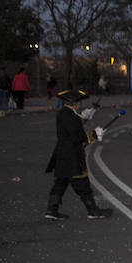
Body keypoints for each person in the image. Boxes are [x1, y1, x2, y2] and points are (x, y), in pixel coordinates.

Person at [43, 89, 113, 221]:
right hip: (72, 155)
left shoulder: (65, 113)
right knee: (82, 184)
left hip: (62, 153)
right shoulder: (71, 116)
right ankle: (92, 210)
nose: (80, 105)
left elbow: (75, 125)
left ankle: (52, 209)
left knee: (60, 183)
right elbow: (77, 136)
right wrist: (94, 134)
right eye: (79, 103)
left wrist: (84, 116)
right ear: (74, 103)